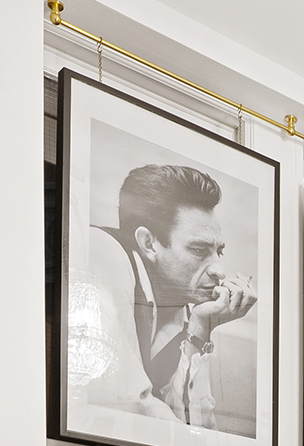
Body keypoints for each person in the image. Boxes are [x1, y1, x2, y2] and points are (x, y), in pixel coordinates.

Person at [70, 163, 257, 429]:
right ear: (149, 243)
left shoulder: (182, 305)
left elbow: (195, 428)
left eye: (219, 252)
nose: (219, 271)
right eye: (198, 250)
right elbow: (124, 405)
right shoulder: (102, 251)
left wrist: (202, 327)